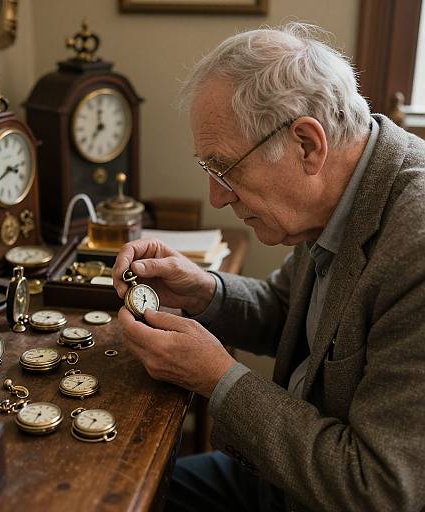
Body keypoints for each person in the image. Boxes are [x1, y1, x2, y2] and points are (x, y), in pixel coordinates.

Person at [112, 22, 425, 512]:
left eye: (225, 168)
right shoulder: (341, 192)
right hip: (284, 474)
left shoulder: (416, 246)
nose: (216, 197)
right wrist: (202, 291)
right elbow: (287, 311)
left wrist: (217, 378)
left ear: (307, 144)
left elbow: (380, 489)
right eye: (208, 170)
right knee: (120, 488)